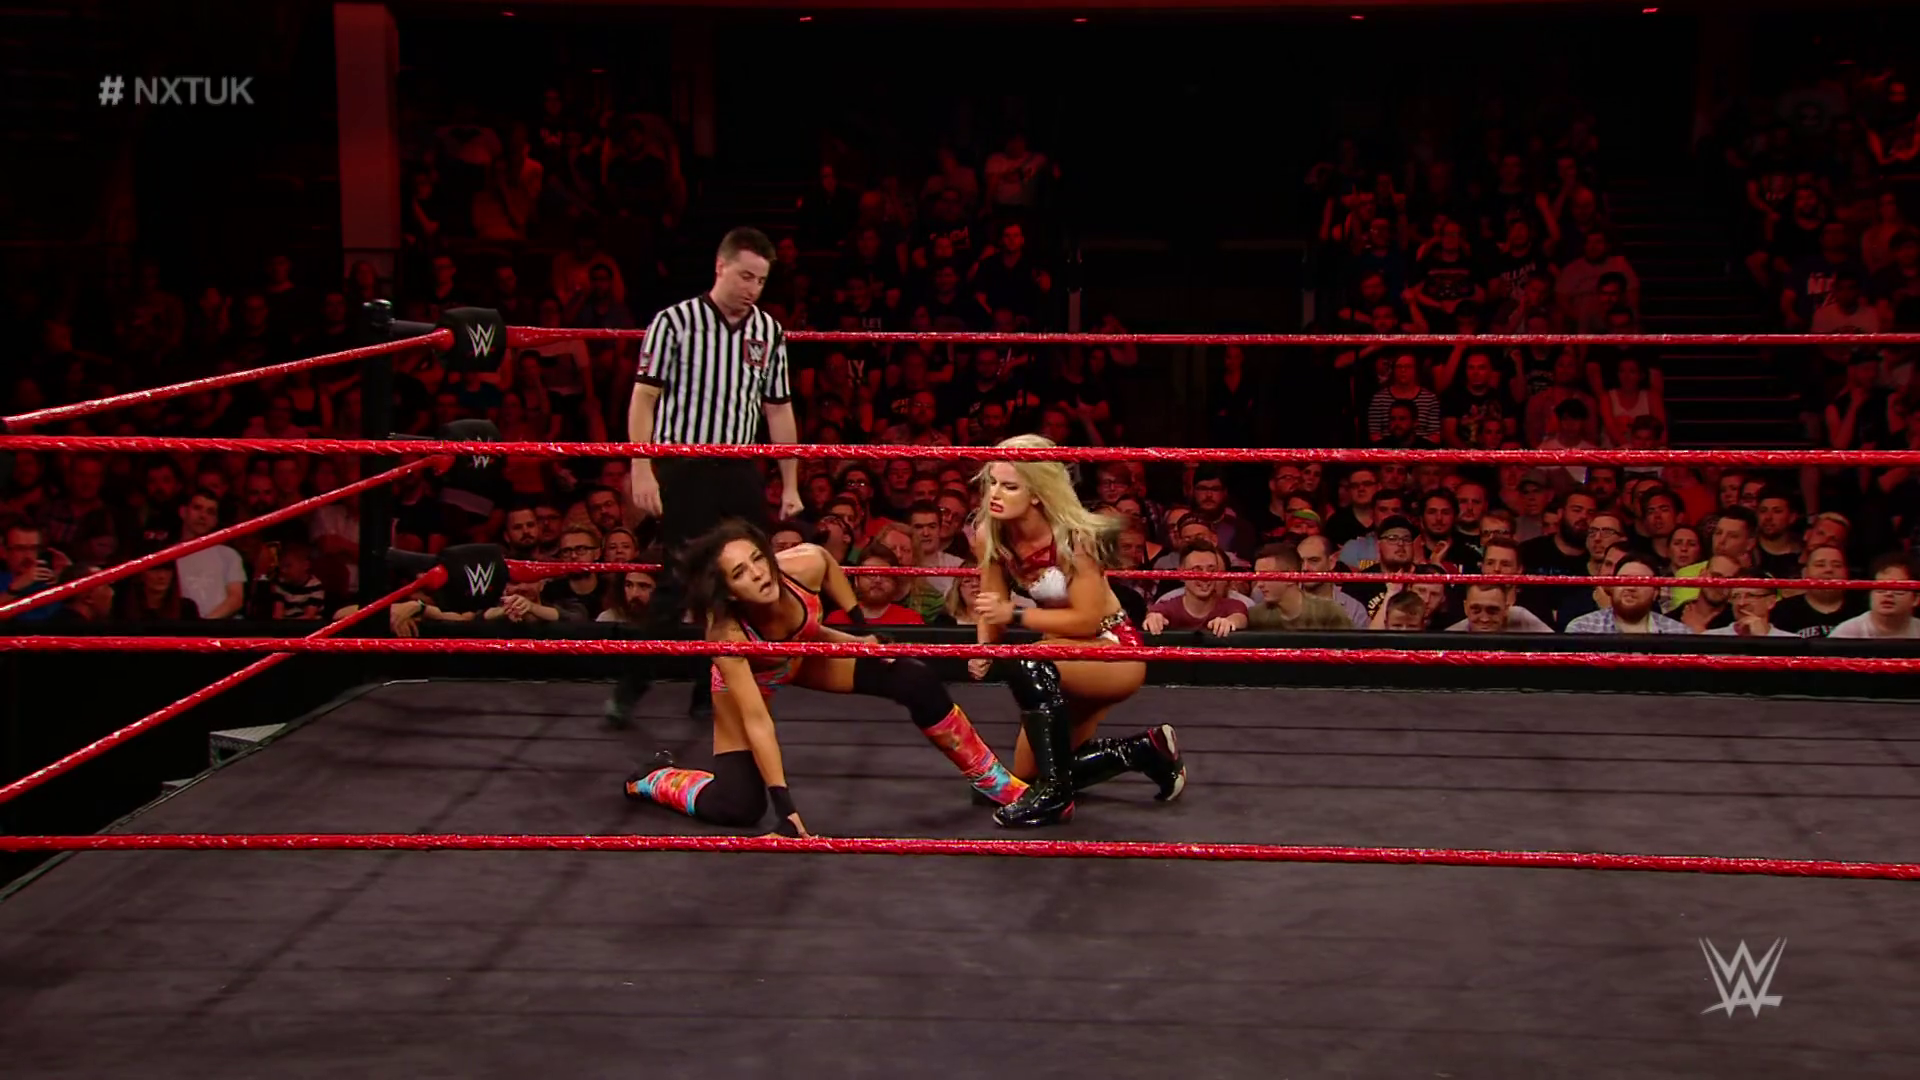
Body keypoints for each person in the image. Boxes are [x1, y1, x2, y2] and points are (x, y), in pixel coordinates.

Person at [624, 521, 1027, 836]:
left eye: (758, 559)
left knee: (910, 676)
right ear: (728, 591)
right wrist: (786, 812)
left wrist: (862, 635)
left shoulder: (806, 563)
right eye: (741, 573)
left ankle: (990, 781)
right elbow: (757, 720)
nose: (759, 574)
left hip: (803, 653)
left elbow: (828, 580)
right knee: (738, 807)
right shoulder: (726, 633)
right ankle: (656, 778)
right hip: (749, 683)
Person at [619, 227, 808, 726]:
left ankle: (712, 688)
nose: (752, 289)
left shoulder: (768, 331)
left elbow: (778, 408)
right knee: (678, 578)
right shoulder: (674, 322)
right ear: (720, 267)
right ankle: (632, 684)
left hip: (740, 468)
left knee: (741, 580)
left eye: (761, 280)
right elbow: (644, 398)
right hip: (685, 465)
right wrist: (641, 464)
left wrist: (790, 482)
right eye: (745, 276)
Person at [967, 435, 1184, 827]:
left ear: (1037, 494)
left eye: (1009, 486)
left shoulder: (1074, 538)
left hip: (1111, 649)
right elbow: (991, 601)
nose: (995, 494)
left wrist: (1015, 615)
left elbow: (1086, 619)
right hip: (1060, 653)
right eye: (992, 483)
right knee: (1026, 776)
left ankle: (1055, 797)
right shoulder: (991, 533)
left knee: (1030, 662)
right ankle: (1144, 751)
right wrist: (985, 647)